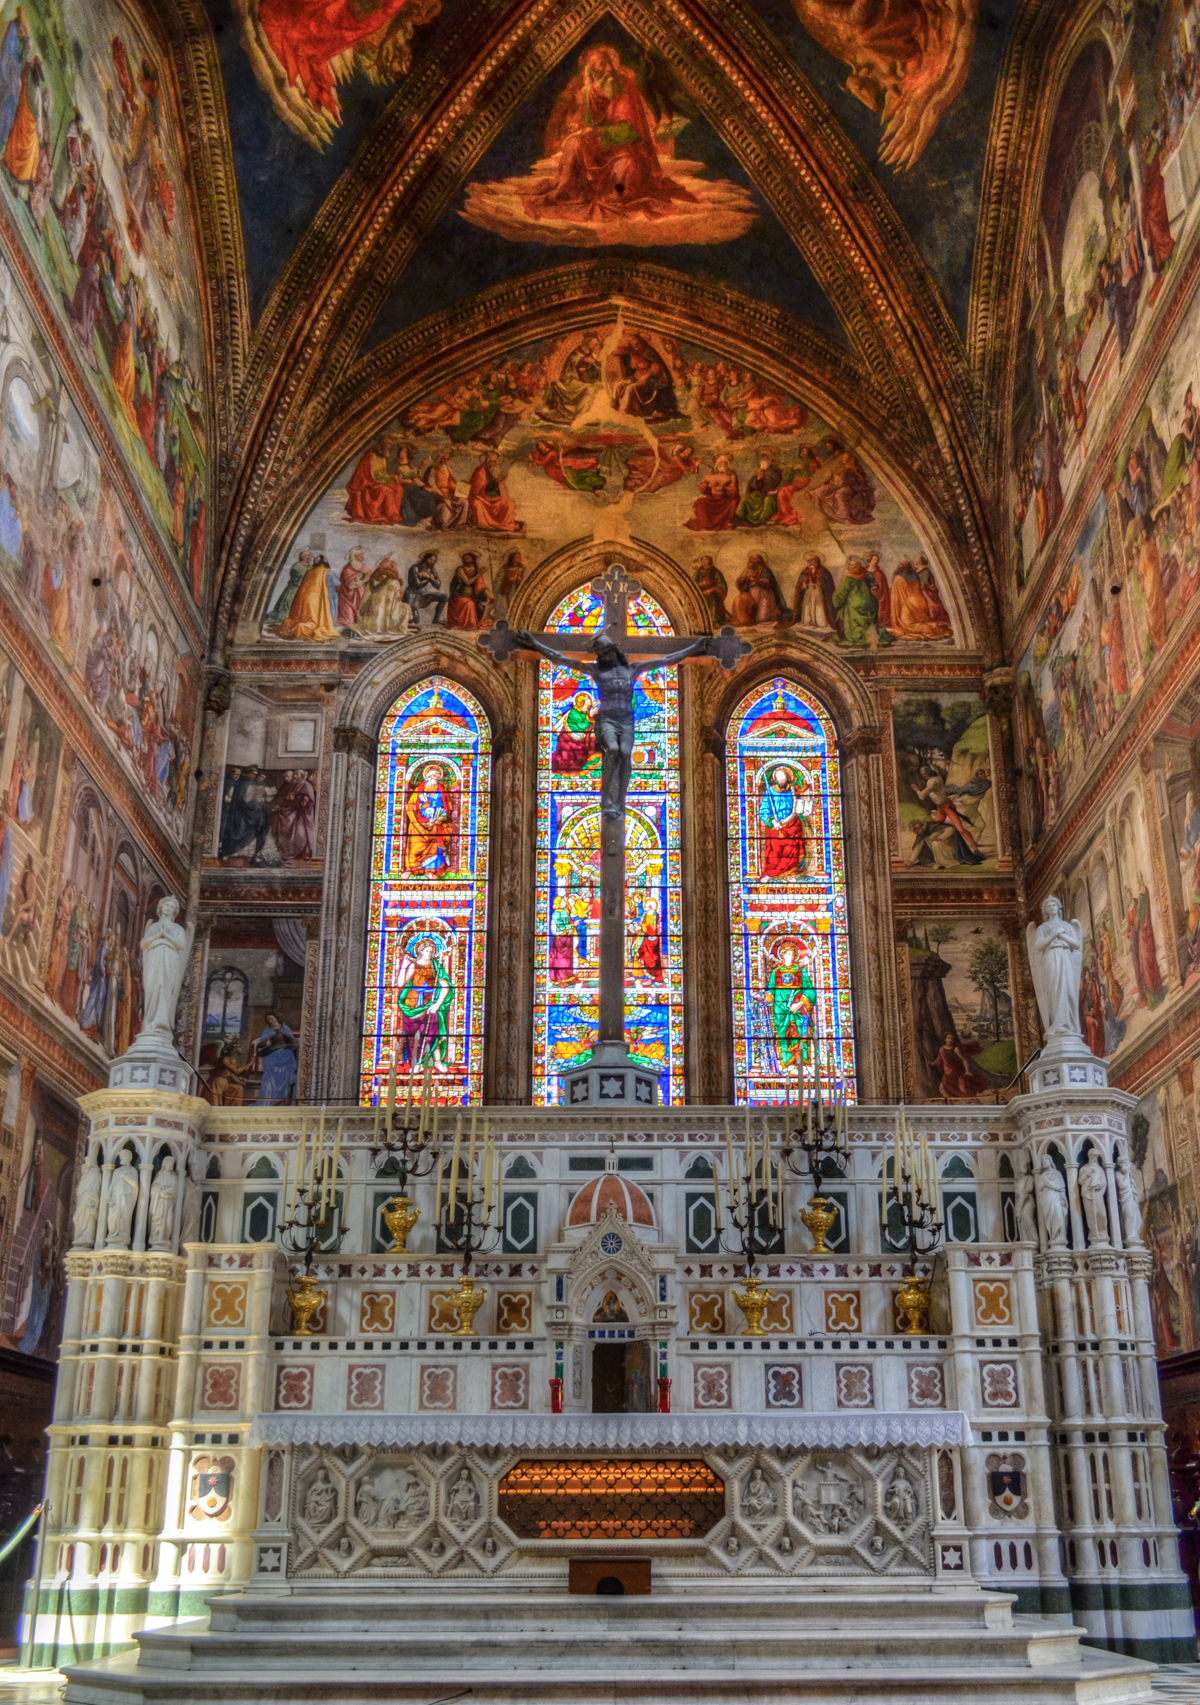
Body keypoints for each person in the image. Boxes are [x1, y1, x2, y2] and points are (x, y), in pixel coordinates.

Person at [514, 628, 713, 818]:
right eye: (601, 652)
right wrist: (534, 643)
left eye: (607, 651)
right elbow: (561, 658)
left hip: (626, 720)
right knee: (612, 749)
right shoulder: (596, 670)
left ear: (614, 650)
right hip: (607, 719)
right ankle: (605, 796)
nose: (605, 655)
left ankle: (618, 800)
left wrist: (694, 647)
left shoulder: (633, 669)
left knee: (625, 754)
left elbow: (666, 659)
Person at [273, 553, 340, 643]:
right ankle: (302, 628)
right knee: (315, 622)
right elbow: (337, 586)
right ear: (324, 562)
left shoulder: (309, 571)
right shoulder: (328, 572)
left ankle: (300, 626)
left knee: (302, 618)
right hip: (315, 599)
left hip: (303, 598)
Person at [403, 764, 457, 874]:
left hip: (437, 821)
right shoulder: (420, 789)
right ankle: (415, 869)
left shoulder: (442, 789)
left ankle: (432, 870)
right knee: (416, 845)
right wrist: (421, 807)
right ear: (429, 775)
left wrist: (442, 816)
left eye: (438, 774)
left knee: (437, 846)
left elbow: (448, 806)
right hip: (420, 821)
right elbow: (411, 806)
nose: (437, 776)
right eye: (435, 774)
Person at [759, 766, 807, 878]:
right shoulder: (770, 791)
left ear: (788, 777)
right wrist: (772, 821)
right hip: (777, 826)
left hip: (793, 825)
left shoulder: (794, 791)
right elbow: (763, 810)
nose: (781, 778)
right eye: (778, 776)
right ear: (775, 779)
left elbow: (799, 806)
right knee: (774, 852)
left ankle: (788, 874)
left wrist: (804, 810)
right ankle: (770, 874)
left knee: (792, 851)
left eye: (783, 776)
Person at [356, 556, 413, 637]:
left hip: (366, 618)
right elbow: (398, 599)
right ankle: (393, 627)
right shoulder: (393, 582)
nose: (395, 566)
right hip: (383, 616)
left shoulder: (374, 576)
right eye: (393, 565)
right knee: (406, 607)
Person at [467, 453, 521, 531]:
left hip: (496, 500)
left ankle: (506, 524)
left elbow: (501, 491)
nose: (494, 464)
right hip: (483, 500)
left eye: (495, 462)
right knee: (477, 504)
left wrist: (498, 481)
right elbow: (482, 489)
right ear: (486, 462)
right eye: (492, 462)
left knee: (510, 504)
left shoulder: (495, 471)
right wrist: (496, 481)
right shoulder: (480, 472)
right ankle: (485, 525)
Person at [685, 454, 739, 530]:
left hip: (725, 500)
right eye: (721, 462)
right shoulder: (711, 474)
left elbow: (734, 490)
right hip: (712, 499)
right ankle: (706, 523)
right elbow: (702, 489)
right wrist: (707, 486)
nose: (723, 464)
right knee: (700, 502)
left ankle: (727, 522)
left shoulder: (731, 474)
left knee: (735, 500)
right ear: (717, 463)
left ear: (728, 464)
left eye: (725, 462)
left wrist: (723, 488)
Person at [832, 557, 878, 645]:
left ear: (858, 566)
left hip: (855, 604)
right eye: (850, 565)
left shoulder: (849, 578)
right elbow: (874, 586)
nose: (851, 567)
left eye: (853, 565)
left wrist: (836, 603)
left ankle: (855, 634)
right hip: (869, 603)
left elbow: (840, 594)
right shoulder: (866, 575)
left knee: (847, 615)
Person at [256, 1014, 298, 1105]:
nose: (270, 1021)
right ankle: (269, 1102)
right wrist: (267, 1045)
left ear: (276, 1018)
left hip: (286, 1057)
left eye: (271, 1018)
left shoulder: (285, 1028)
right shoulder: (267, 1031)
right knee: (270, 1081)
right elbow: (261, 1047)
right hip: (272, 1058)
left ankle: (284, 1102)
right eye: (268, 1020)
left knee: (286, 1081)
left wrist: (285, 1045)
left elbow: (293, 1042)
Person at [930, 1032, 988, 1098]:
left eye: (952, 1039)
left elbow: (964, 1059)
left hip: (956, 1074)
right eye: (948, 1038)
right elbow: (939, 1059)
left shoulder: (956, 1049)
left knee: (965, 1092)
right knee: (942, 1090)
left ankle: (978, 1105)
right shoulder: (941, 1049)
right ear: (945, 1039)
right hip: (947, 1075)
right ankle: (951, 1106)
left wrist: (967, 1071)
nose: (950, 1040)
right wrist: (933, 1063)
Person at [793, 553, 838, 634]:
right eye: (809, 561)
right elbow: (800, 583)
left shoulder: (824, 571)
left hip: (820, 593)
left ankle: (820, 623)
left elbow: (829, 585)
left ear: (817, 560)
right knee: (808, 606)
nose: (811, 562)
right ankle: (808, 622)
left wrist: (820, 583)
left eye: (813, 560)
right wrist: (803, 582)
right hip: (809, 592)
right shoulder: (805, 571)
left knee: (819, 606)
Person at [552, 692, 596, 774]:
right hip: (570, 740)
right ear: (582, 702)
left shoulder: (585, 712)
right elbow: (581, 726)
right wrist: (589, 719)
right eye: (587, 699)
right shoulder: (574, 713)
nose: (589, 701)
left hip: (580, 739)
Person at [403, 551, 448, 627]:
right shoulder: (415, 568)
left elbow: (438, 585)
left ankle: (436, 619)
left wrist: (429, 577)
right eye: (430, 559)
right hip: (412, 595)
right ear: (425, 559)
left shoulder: (431, 569)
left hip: (423, 593)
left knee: (445, 597)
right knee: (416, 622)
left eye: (434, 560)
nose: (432, 562)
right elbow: (417, 585)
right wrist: (428, 578)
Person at [737, 453, 781, 526]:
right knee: (746, 499)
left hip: (771, 495)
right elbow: (751, 485)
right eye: (762, 459)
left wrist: (774, 491)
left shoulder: (776, 472)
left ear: (771, 461)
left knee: (768, 501)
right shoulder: (759, 471)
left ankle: (762, 520)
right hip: (760, 494)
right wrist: (758, 479)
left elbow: (780, 483)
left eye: (766, 459)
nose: (763, 461)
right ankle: (741, 519)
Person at [693, 555, 730, 624]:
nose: (704, 562)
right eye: (702, 560)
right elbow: (692, 584)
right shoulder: (698, 572)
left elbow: (722, 584)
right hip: (700, 593)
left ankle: (713, 621)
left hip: (714, 593)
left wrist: (713, 589)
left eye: (706, 559)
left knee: (713, 600)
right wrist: (701, 584)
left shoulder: (716, 572)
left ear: (710, 561)